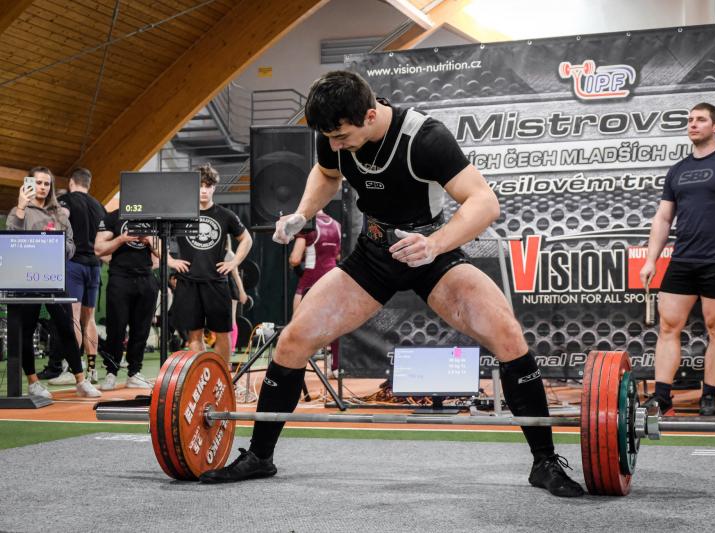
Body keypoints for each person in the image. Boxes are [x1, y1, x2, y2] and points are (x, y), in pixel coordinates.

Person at [199, 71, 584, 497]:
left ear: (369, 116)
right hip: (374, 255)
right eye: (330, 138)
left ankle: (545, 462)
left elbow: (484, 202)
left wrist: (434, 244)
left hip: (430, 253)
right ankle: (260, 456)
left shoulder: (425, 138)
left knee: (507, 335)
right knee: (292, 341)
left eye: (342, 136)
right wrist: (302, 214)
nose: (336, 145)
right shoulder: (334, 136)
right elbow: (326, 174)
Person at [639, 102, 715, 417]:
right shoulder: (678, 170)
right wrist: (651, 259)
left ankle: (708, 396)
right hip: (683, 259)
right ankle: (662, 397)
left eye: (701, 120)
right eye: (690, 119)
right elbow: (663, 218)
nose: (693, 124)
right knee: (668, 325)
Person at [5, 167, 102, 399]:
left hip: (54, 278)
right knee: (26, 330)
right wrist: (21, 207)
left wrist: (56, 245)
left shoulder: (59, 213)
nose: (42, 187)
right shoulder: (19, 211)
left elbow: (71, 246)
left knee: (66, 327)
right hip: (25, 280)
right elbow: (12, 237)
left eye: (46, 183)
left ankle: (81, 381)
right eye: (38, 183)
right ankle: (33, 383)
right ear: (29, 184)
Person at [169, 163, 253, 363]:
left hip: (216, 282)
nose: (204, 190)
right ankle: (201, 375)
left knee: (223, 333)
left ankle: (222, 376)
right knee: (194, 335)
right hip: (189, 282)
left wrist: (234, 262)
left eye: (208, 186)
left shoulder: (225, 215)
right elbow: (157, 237)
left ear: (214, 188)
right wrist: (170, 260)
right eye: (200, 186)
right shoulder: (181, 215)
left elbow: (247, 239)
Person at [50, 168, 106, 385]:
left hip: (74, 264)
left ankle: (73, 368)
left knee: (73, 317)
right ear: (88, 184)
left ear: (71, 182)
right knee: (89, 319)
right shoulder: (99, 205)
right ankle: (92, 371)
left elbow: (62, 217)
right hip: (95, 266)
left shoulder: (67, 199)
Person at [94, 209, 158, 390]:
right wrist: (121, 239)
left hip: (145, 278)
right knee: (116, 328)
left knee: (141, 329)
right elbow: (99, 249)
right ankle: (111, 372)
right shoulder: (113, 217)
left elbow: (162, 253)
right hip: (120, 278)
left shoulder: (152, 217)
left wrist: (149, 241)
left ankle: (134, 373)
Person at [289, 209, 341, 373]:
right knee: (335, 323)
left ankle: (295, 367)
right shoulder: (337, 225)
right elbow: (337, 256)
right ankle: (336, 366)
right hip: (333, 277)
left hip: (311, 279)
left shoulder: (307, 225)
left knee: (297, 323)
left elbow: (295, 259)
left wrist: (298, 260)